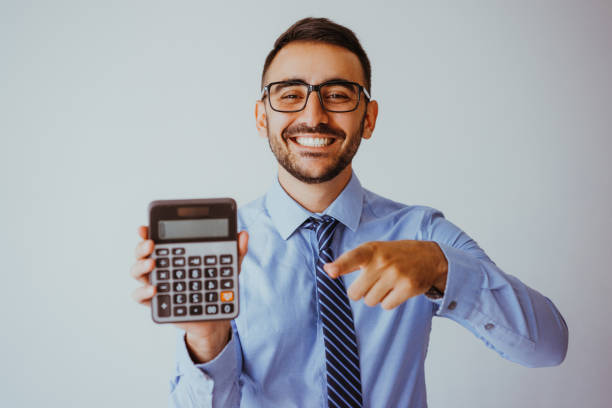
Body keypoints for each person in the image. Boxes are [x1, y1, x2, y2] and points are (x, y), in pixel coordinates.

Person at [130, 17, 568, 408]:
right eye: (290, 94)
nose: (314, 115)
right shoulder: (226, 247)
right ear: (262, 118)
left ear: (369, 119)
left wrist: (440, 266)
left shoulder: (421, 232)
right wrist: (206, 339)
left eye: (338, 95)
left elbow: (548, 346)